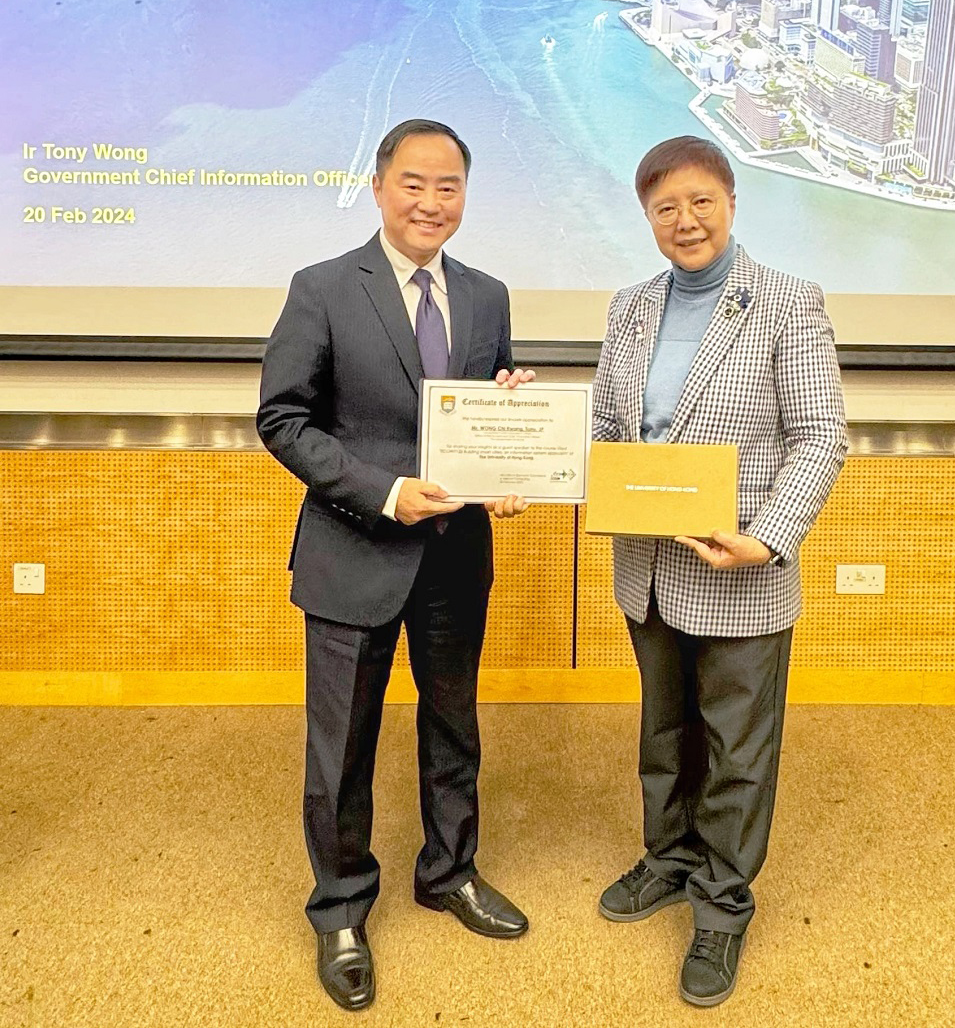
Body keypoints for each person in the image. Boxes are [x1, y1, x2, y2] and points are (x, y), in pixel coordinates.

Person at [258, 119, 532, 1013]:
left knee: (453, 728)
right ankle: (339, 906)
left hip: (456, 561)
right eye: (414, 182)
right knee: (341, 747)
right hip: (353, 552)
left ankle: (449, 871)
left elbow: (484, 410)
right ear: (379, 186)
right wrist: (383, 490)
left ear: (465, 196)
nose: (431, 201)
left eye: (449, 185)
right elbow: (284, 421)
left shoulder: (488, 296)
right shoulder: (324, 287)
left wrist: (511, 460)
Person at [592, 135, 847, 1008]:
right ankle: (668, 859)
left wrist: (768, 535)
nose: (684, 220)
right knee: (664, 735)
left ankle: (723, 904)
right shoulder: (629, 308)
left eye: (700, 200)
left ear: (731, 202)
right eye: (665, 207)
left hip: (744, 571)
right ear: (649, 220)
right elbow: (603, 431)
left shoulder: (786, 302)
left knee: (738, 749)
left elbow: (821, 435)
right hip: (649, 571)